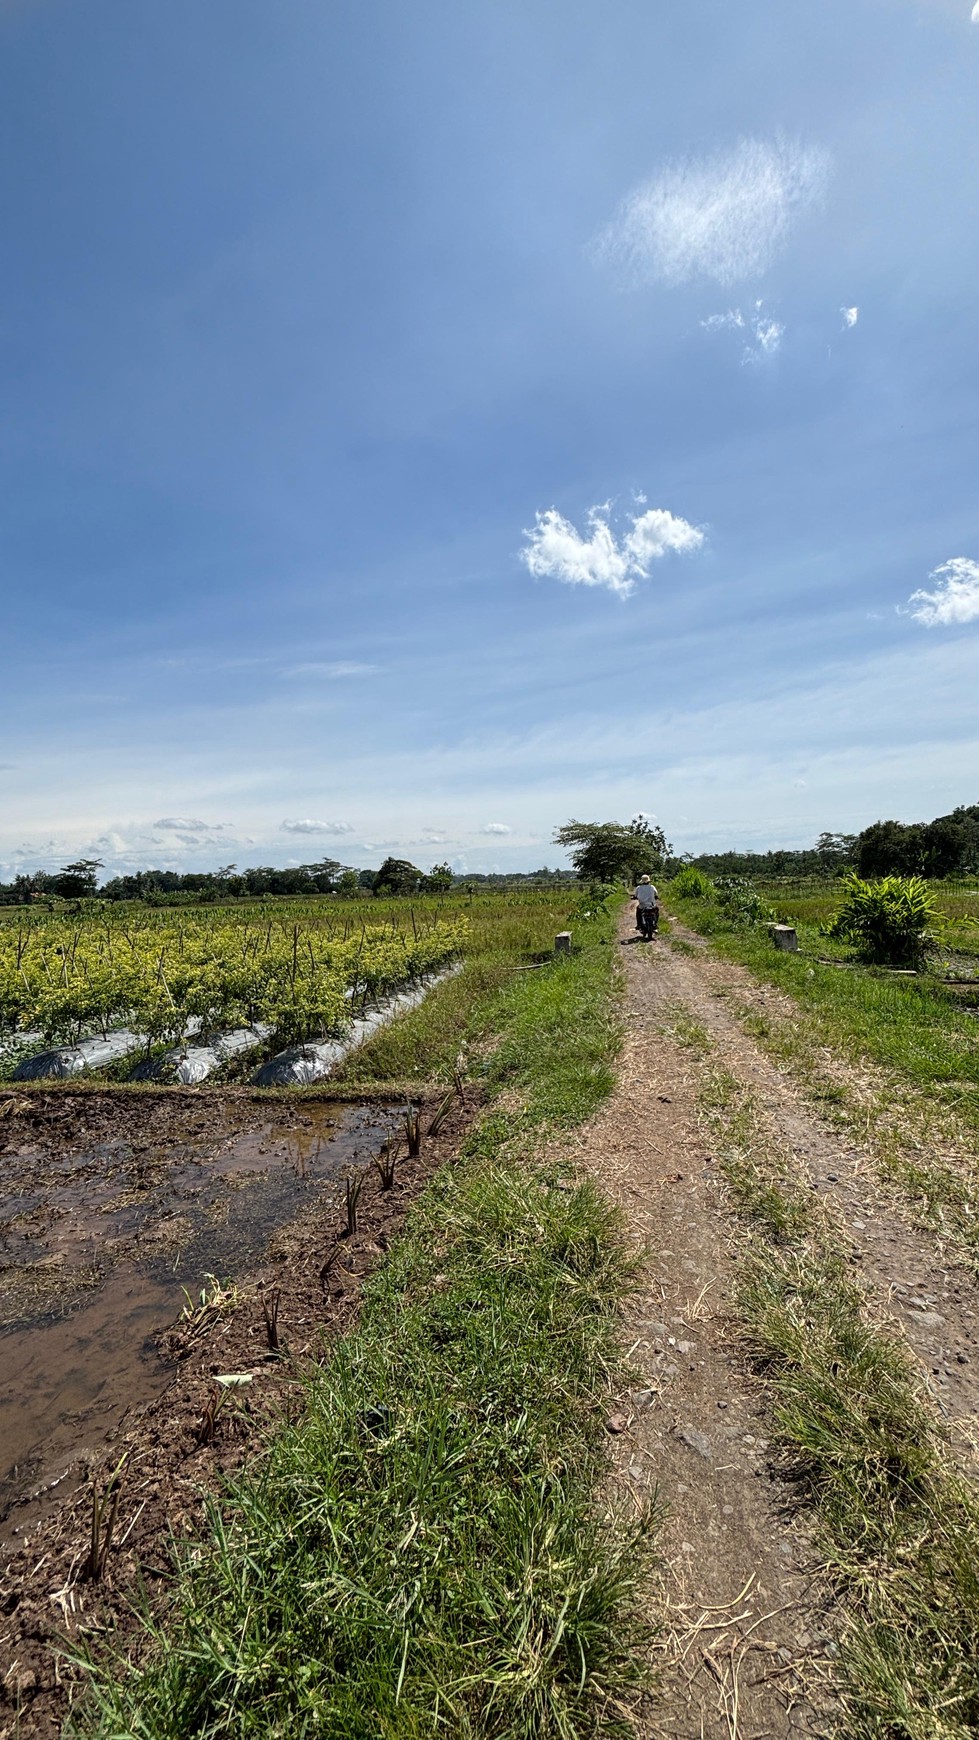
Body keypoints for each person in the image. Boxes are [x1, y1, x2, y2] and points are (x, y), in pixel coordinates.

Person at [634, 874, 659, 940]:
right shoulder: (652, 887)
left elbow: (635, 895)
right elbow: (656, 894)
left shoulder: (638, 888)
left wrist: (635, 897)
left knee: (638, 911)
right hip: (651, 905)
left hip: (642, 906)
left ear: (642, 881)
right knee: (657, 911)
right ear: (648, 881)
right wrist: (656, 897)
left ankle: (638, 924)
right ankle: (655, 924)